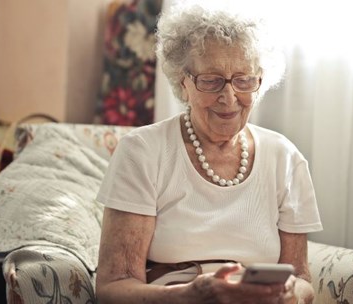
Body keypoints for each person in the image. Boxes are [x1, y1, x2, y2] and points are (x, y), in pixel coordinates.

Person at [95, 3, 322, 303]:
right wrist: (191, 296)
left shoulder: (285, 158)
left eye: (244, 80)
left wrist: (291, 293)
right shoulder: (143, 152)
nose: (229, 98)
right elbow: (114, 287)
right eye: (211, 80)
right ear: (183, 82)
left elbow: (302, 278)